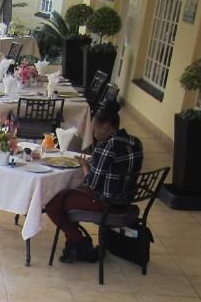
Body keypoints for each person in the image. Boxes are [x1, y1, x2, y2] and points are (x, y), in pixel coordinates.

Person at [43, 101, 143, 263]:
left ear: (105, 127)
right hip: (127, 202)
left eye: (94, 129)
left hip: (107, 204)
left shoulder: (107, 147)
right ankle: (75, 244)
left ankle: (79, 242)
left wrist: (84, 166)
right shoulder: (135, 142)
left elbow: (91, 184)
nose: (94, 134)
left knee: (52, 204)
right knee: (66, 197)